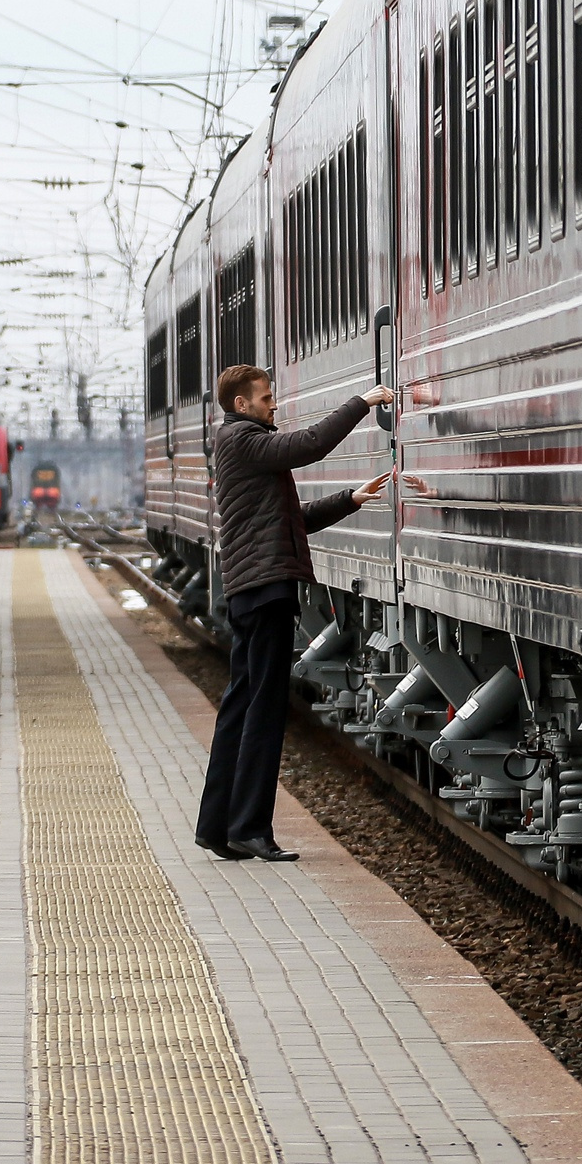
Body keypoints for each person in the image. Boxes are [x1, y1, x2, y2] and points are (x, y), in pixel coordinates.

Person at [195, 363, 398, 862]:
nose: (273, 404)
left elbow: (292, 520)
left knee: (242, 706)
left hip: (254, 588)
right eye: (265, 397)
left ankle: (218, 826)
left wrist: (349, 500)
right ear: (242, 404)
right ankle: (250, 828)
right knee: (262, 711)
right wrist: (362, 403)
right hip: (265, 591)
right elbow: (309, 445)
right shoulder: (243, 438)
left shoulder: (244, 447)